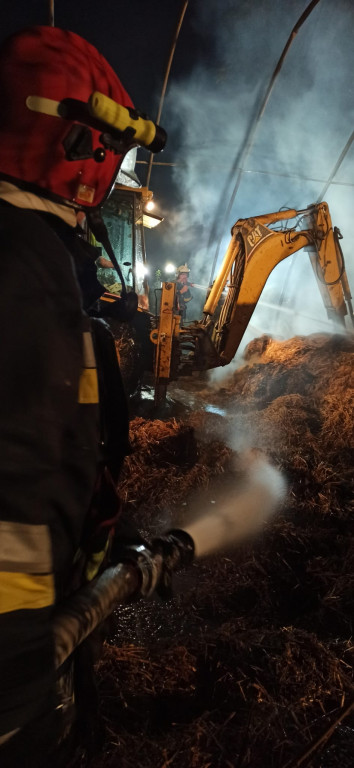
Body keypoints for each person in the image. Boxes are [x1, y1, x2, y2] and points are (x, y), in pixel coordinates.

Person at [0, 25, 150, 767]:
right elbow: (20, 474)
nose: (110, 172)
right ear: (74, 144)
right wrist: (20, 664)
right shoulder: (26, 268)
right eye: (108, 149)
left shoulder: (40, 253)